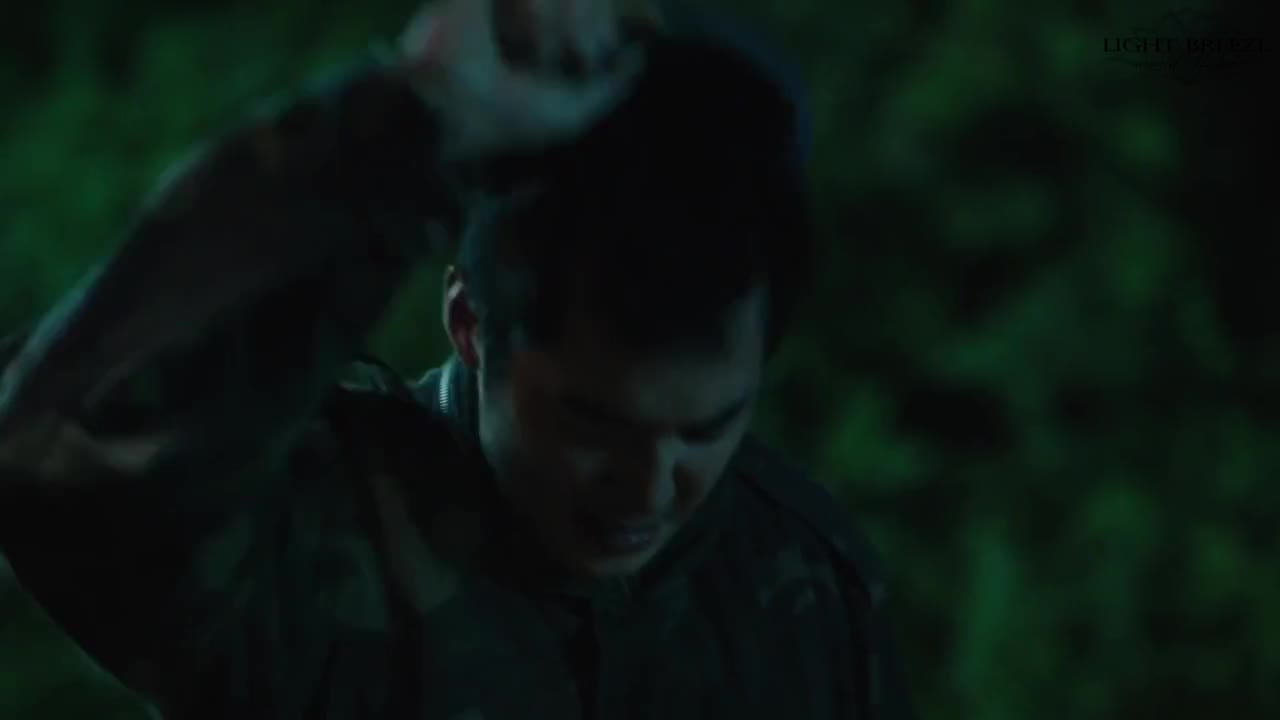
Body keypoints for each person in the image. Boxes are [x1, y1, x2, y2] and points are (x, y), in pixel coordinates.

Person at [0, 0, 919, 717]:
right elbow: (60, 469)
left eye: (706, 428)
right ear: (470, 325)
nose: (648, 486)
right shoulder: (319, 541)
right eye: (591, 423)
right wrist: (410, 122)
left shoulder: (804, 581)